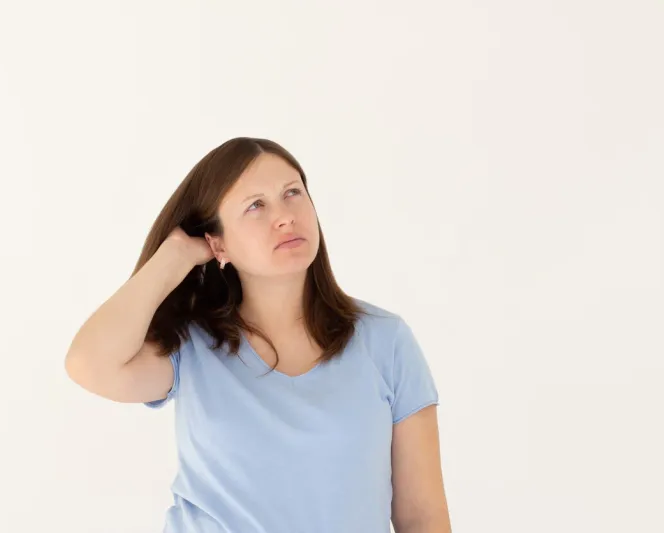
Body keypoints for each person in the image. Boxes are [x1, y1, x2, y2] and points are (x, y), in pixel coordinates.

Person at [64, 137, 451, 532]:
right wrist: (175, 255)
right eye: (255, 205)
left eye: (292, 193)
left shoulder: (386, 342)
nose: (284, 217)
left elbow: (422, 518)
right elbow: (89, 364)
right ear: (217, 242)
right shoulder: (191, 348)